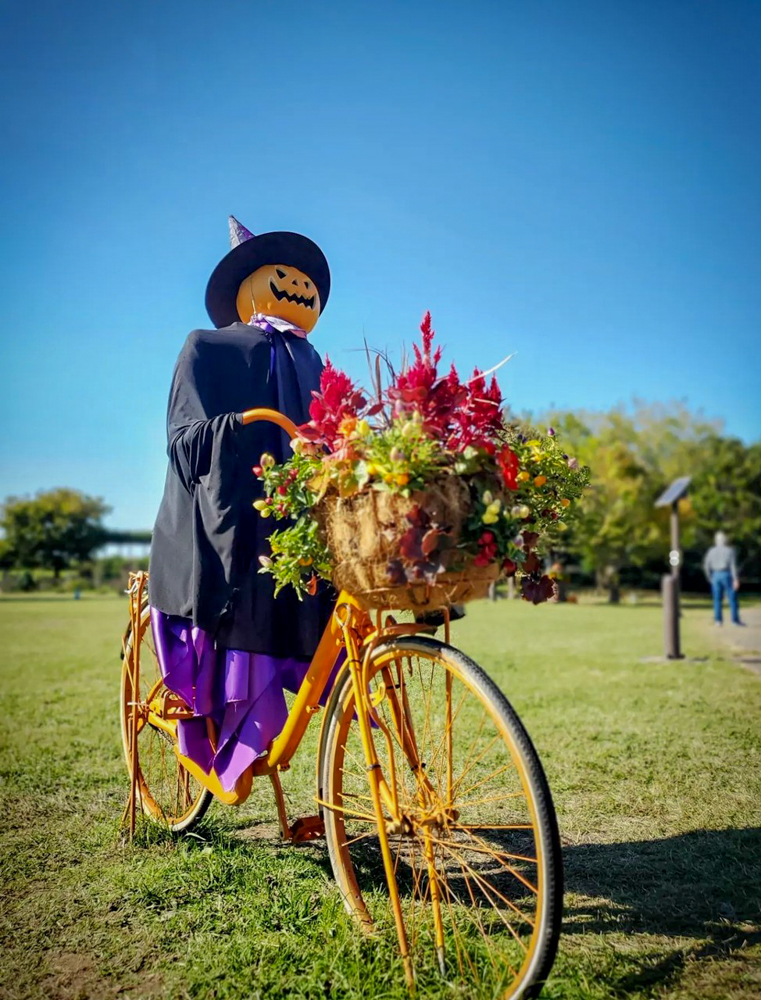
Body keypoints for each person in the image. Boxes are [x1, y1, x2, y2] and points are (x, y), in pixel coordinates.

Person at [148, 216, 338, 794]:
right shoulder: (205, 347)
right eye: (285, 277)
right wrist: (240, 426)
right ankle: (230, 738)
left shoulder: (315, 362)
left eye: (307, 281)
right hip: (227, 516)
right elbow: (184, 438)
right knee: (245, 576)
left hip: (295, 516)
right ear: (250, 284)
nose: (300, 288)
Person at [703, 530, 743, 626]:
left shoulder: (711, 551)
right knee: (732, 598)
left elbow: (706, 565)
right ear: (724, 540)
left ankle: (718, 620)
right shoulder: (730, 551)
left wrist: (709, 577)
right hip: (726, 574)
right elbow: (733, 566)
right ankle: (734, 620)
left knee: (717, 599)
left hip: (715, 575)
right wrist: (735, 579)